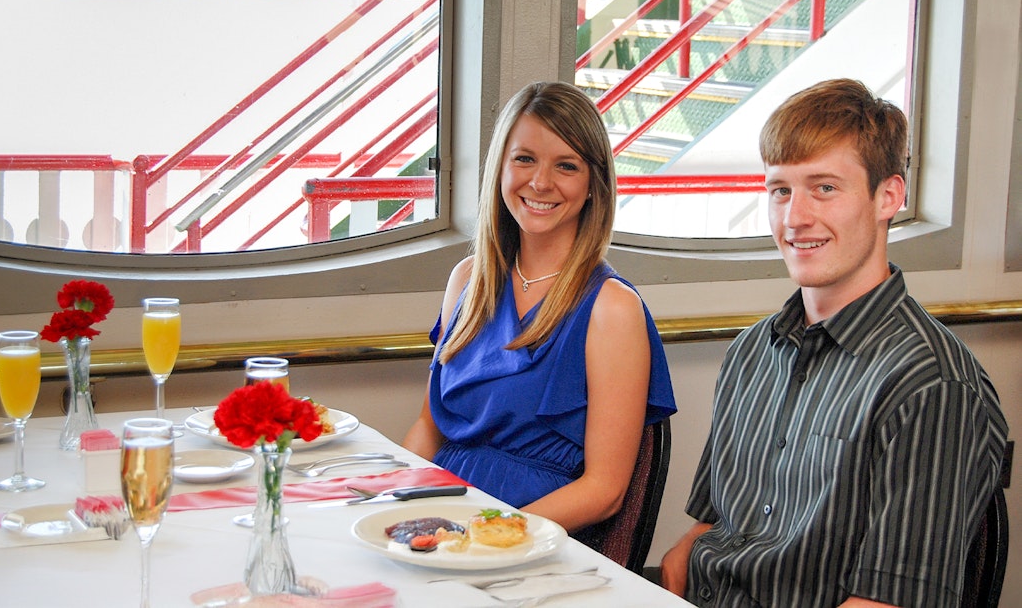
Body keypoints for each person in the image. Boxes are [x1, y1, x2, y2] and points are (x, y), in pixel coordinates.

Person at [660, 78, 1008, 607]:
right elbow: (705, 534)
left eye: (824, 187)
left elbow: (888, 603)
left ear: (889, 196)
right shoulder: (751, 353)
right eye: (781, 190)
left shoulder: (933, 385)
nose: (795, 218)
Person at [403, 81, 677, 537]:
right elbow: (428, 429)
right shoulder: (467, 280)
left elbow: (605, 491)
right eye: (525, 159)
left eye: (565, 166)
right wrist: (396, 503)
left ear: (593, 185)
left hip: (533, 537)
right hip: (443, 519)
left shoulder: (612, 308)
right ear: (501, 168)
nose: (540, 182)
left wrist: (486, 535)